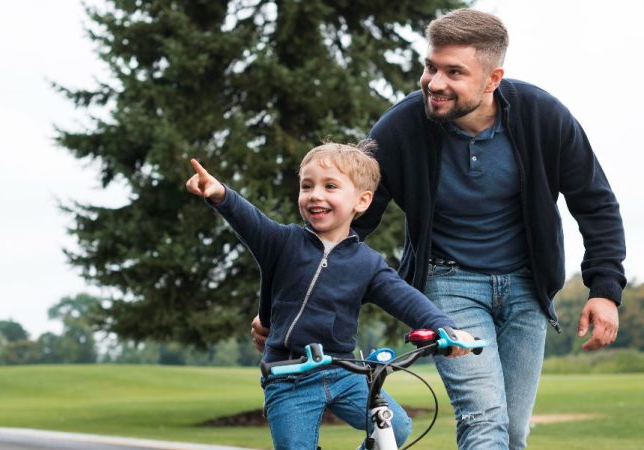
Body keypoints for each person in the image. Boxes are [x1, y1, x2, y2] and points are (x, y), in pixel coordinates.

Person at [251, 8, 626, 450]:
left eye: (454, 72)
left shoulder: (544, 118)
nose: (434, 82)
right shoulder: (399, 129)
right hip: (449, 285)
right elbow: (348, 222)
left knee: (512, 432)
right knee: (483, 420)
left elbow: (594, 201)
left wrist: (604, 288)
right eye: (430, 66)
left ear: (492, 79)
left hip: (527, 288)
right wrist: (290, 301)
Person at [187, 142, 476, 450]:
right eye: (307, 186)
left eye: (330, 186)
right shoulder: (282, 243)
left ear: (362, 201)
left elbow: (405, 298)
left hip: (344, 372)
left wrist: (444, 326)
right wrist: (219, 193)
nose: (315, 195)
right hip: (289, 376)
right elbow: (250, 220)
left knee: (397, 428)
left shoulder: (368, 264)